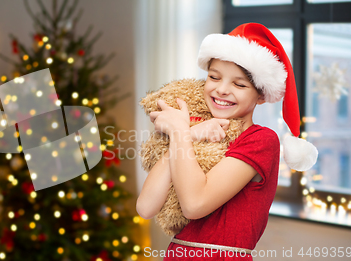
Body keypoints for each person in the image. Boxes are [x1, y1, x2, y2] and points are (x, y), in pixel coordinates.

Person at [136, 23, 318, 260]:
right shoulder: (195, 133)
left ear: (261, 95)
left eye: (239, 84)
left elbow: (195, 204)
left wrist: (180, 131)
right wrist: (189, 134)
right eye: (214, 77)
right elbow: (146, 207)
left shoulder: (261, 140)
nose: (221, 89)